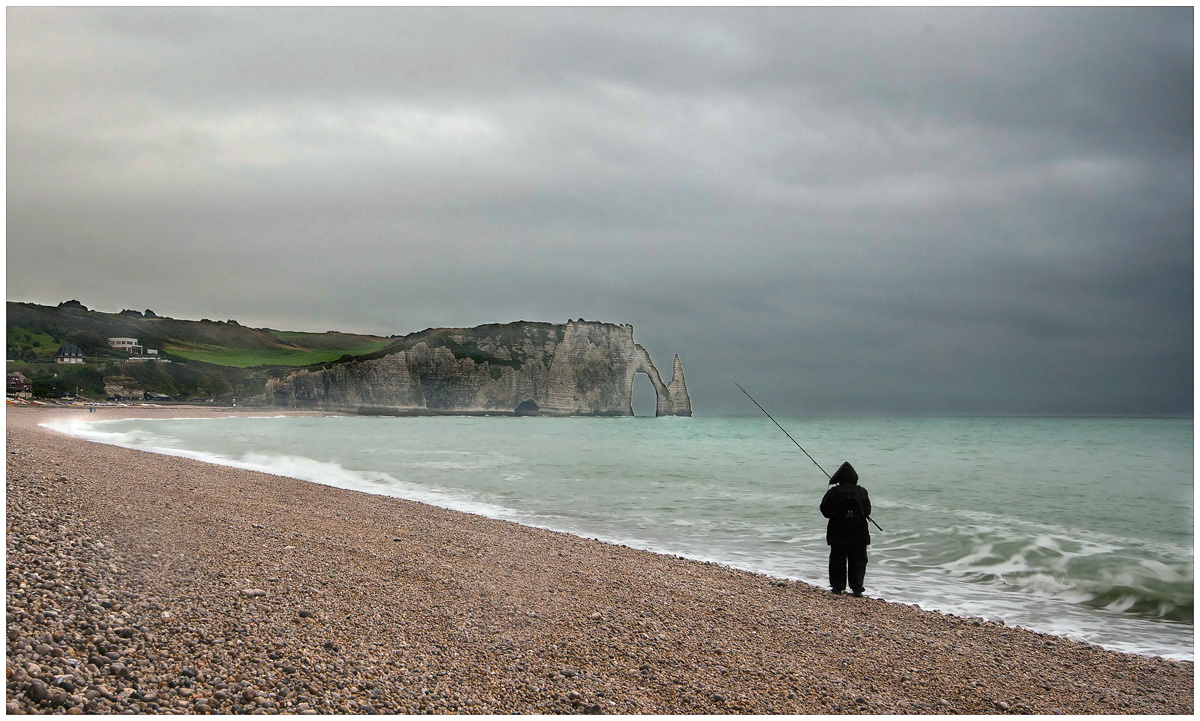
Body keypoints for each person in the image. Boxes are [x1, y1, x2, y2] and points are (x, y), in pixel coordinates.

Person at [819, 461, 871, 597]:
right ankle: (857, 588)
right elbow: (867, 511)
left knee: (837, 559)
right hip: (859, 533)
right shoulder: (862, 491)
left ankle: (837, 588)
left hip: (838, 532)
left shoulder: (833, 492)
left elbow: (825, 511)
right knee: (858, 560)